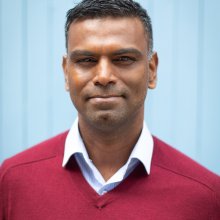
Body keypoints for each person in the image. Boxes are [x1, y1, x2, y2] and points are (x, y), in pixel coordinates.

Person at [0, 0, 220, 219]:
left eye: (123, 59)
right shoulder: (13, 181)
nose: (104, 76)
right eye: (86, 60)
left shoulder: (205, 196)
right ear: (66, 73)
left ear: (152, 70)